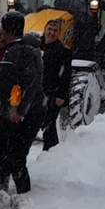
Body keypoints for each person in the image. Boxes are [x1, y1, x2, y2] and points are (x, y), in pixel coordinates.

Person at [0, 11, 45, 194]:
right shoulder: (22, 49)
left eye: (4, 28)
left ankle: (22, 195)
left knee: (15, 157)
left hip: (25, 115)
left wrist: (20, 111)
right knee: (8, 156)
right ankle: (3, 188)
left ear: (8, 30)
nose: (2, 33)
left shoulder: (20, 52)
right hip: (22, 113)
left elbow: (30, 83)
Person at [39, 17, 72, 152]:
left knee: (48, 123)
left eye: (55, 31)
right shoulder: (35, 45)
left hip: (53, 93)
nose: (51, 33)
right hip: (36, 91)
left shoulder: (63, 51)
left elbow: (66, 76)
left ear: (59, 33)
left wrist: (61, 95)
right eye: (49, 29)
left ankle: (51, 151)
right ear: (45, 29)